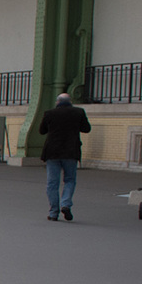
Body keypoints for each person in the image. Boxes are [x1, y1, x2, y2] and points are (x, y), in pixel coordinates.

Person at [40, 92, 91, 221]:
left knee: (52, 183)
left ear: (57, 102)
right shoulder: (78, 112)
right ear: (70, 101)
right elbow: (86, 128)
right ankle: (66, 204)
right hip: (71, 151)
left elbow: (42, 131)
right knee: (70, 180)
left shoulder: (49, 113)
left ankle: (53, 213)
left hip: (52, 152)